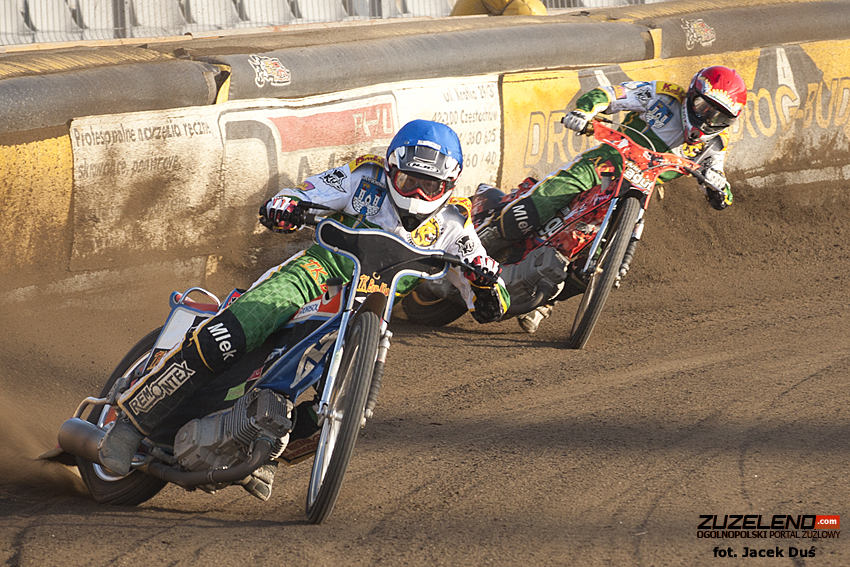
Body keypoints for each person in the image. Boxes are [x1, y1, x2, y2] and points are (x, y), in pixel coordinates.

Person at [97, 119, 510, 499]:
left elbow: (493, 298)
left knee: (348, 407)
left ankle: (264, 454)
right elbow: (307, 192)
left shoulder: (456, 225)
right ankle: (132, 423)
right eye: (409, 180)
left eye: (429, 186)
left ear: (449, 185)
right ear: (391, 170)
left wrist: (486, 281)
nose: (417, 193)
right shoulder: (363, 177)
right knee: (235, 331)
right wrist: (287, 204)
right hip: (317, 273)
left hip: (370, 310)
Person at [477, 65, 747, 333]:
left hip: (639, 191)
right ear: (692, 95)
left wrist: (719, 190)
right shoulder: (664, 96)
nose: (708, 120)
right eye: (704, 108)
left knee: (609, 265)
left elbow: (718, 180)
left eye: (720, 117)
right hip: (605, 164)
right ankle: (478, 244)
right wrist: (584, 111)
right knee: (543, 201)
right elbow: (611, 94)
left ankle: (546, 301)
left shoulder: (715, 144)